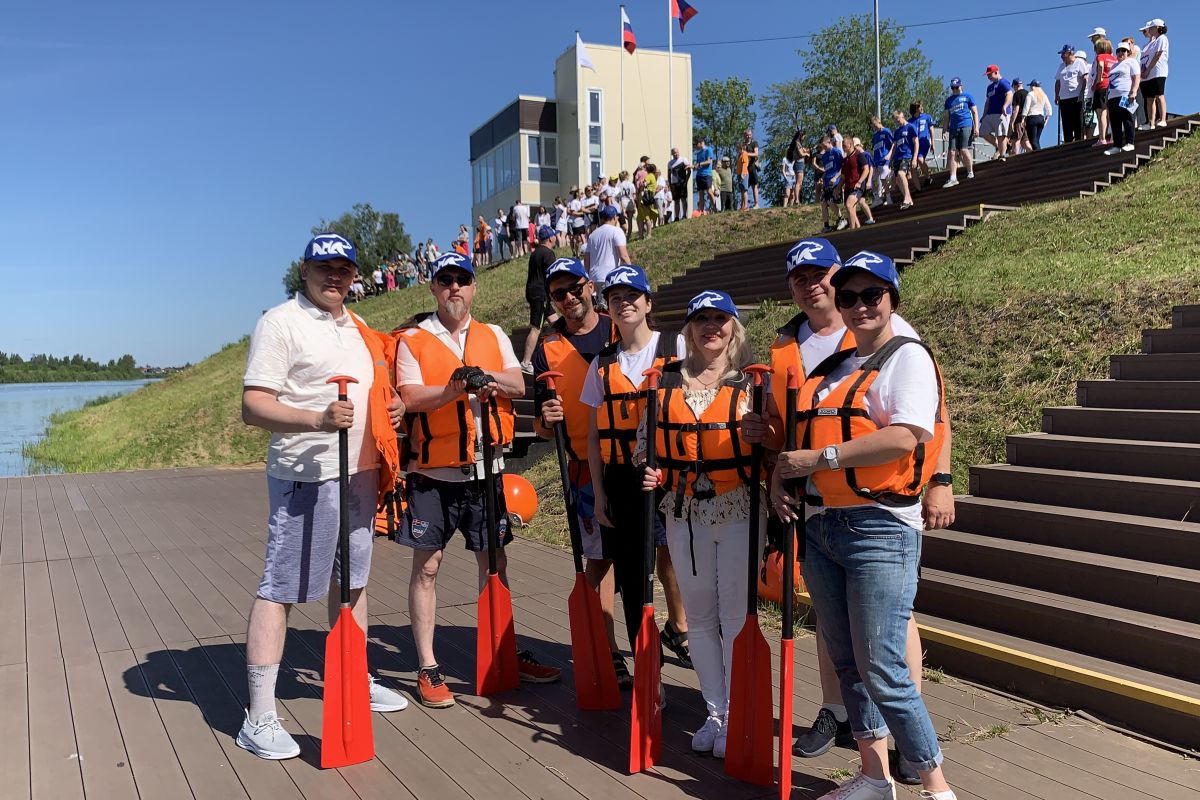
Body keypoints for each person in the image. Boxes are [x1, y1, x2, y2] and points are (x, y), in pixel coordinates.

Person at [759, 238, 953, 786]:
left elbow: (914, 432)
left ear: (891, 297)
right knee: (848, 663)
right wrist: (779, 474)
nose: (860, 305)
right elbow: (799, 432)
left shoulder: (906, 351)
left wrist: (941, 479)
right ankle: (874, 775)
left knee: (883, 666)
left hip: (879, 524)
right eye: (851, 297)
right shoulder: (831, 361)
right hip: (820, 523)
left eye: (873, 295)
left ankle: (933, 782)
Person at [238, 232, 408, 759]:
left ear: (355, 275)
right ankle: (259, 715)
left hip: (359, 471)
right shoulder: (280, 322)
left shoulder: (354, 325)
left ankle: (352, 677)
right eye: (324, 268)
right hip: (305, 476)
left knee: (352, 580)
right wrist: (315, 418)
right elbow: (253, 405)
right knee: (282, 587)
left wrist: (391, 406)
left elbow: (371, 388)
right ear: (304, 271)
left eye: (344, 269)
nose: (335, 277)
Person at [393, 252, 561, 708]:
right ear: (433, 288)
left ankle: (502, 649)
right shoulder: (414, 340)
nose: (454, 288)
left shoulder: (494, 335)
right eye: (445, 280)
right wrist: (452, 388)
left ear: (473, 287)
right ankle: (428, 665)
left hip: (486, 470)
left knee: (495, 564)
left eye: (462, 280)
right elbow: (410, 397)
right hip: (434, 475)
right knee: (427, 568)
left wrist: (485, 380)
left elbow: (518, 384)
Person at [638, 289, 767, 759]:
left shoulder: (753, 384)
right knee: (700, 619)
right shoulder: (664, 382)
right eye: (702, 319)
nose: (712, 326)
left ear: (733, 327)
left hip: (737, 509)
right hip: (682, 513)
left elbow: (771, 447)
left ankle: (736, 712)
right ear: (688, 330)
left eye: (720, 318)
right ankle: (715, 713)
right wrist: (649, 469)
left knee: (735, 616)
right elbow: (643, 445)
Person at [582, 264, 692, 679]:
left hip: (670, 475)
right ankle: (648, 669)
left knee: (679, 563)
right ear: (607, 308)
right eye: (615, 298)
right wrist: (599, 493)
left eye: (633, 296)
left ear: (648, 302)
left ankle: (686, 636)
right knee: (631, 578)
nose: (624, 303)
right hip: (621, 481)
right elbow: (594, 438)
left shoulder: (677, 345)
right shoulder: (602, 363)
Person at [532, 258, 628, 685]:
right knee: (600, 560)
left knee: (661, 553)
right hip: (585, 469)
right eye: (558, 293)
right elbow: (538, 424)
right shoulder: (547, 347)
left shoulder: (619, 325)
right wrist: (546, 417)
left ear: (589, 286)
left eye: (574, 288)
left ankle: (676, 627)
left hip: (636, 463)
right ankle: (610, 652)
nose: (568, 298)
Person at [520, 226, 559, 372]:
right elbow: (552, 275)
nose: (555, 238)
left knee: (556, 323)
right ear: (550, 238)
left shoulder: (535, 253)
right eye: (554, 236)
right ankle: (525, 362)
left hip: (533, 293)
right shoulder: (548, 253)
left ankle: (557, 353)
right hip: (541, 294)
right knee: (536, 327)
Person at [584, 206, 630, 297]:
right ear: (614, 217)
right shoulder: (616, 231)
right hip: (609, 277)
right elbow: (624, 256)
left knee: (598, 309)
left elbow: (586, 260)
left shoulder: (592, 235)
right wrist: (631, 273)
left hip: (593, 278)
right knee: (609, 309)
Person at [1105, 41, 1142, 155]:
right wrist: (1107, 97)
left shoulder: (1131, 62)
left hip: (1125, 94)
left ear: (1128, 52)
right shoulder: (1114, 66)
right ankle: (1117, 145)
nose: (1121, 53)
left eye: (1123, 50)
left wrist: (1134, 91)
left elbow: (1136, 77)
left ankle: (1130, 143)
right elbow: (1110, 82)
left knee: (1127, 118)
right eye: (1119, 50)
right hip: (1113, 97)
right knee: (1115, 121)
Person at [940, 79, 978, 188]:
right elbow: (947, 117)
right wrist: (944, 130)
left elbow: (974, 111)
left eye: (957, 87)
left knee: (963, 149)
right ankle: (953, 177)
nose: (955, 89)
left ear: (961, 86)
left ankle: (970, 171)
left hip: (966, 125)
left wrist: (976, 127)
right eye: (953, 88)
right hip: (953, 128)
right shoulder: (949, 101)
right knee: (952, 152)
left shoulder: (967, 97)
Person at [1055, 45, 1088, 144]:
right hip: (1064, 97)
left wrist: (1082, 92)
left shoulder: (1079, 63)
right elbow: (1057, 81)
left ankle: (1078, 141)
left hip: (1076, 96)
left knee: (1077, 120)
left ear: (1070, 53)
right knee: (1066, 121)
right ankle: (1068, 142)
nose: (1062, 56)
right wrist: (1057, 95)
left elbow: (1084, 78)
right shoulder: (1061, 66)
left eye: (1063, 54)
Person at [1140, 19, 1169, 129]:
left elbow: (1158, 55)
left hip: (1158, 71)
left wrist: (1148, 70)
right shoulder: (1153, 42)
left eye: (1152, 27)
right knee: (1149, 98)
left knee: (1159, 95)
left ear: (1157, 28)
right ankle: (1150, 122)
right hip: (1149, 74)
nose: (1149, 30)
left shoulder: (1162, 38)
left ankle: (1162, 119)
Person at [886, 110, 918, 210]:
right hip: (897, 157)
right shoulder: (897, 131)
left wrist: (915, 158)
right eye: (895, 121)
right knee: (898, 180)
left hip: (907, 155)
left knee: (901, 173)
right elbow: (894, 146)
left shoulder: (910, 127)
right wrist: (890, 159)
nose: (897, 122)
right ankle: (908, 199)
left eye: (898, 119)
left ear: (902, 116)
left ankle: (907, 198)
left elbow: (916, 142)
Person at [981, 64, 1014, 158]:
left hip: (1001, 113)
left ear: (996, 72)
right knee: (982, 132)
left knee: (1001, 135)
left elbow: (1009, 94)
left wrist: (1005, 105)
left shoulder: (1003, 82)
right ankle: (1001, 147)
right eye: (987, 75)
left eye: (990, 74)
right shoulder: (989, 87)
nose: (988, 77)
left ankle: (1002, 155)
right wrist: (984, 115)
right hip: (990, 113)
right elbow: (987, 101)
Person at [1090, 39, 1118, 147]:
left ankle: (1102, 138)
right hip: (1112, 87)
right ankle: (1112, 137)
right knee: (1111, 113)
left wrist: (1098, 80)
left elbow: (1100, 66)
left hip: (1101, 86)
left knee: (1101, 113)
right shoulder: (1114, 59)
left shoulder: (1100, 57)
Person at [842, 138, 875, 229]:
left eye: (844, 145)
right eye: (842, 145)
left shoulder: (859, 155)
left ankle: (852, 229)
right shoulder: (845, 160)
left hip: (857, 185)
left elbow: (867, 169)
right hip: (848, 186)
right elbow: (843, 176)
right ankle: (857, 227)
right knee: (850, 208)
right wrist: (838, 188)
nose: (843, 147)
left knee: (849, 204)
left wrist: (860, 182)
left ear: (850, 145)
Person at [814, 136, 845, 229]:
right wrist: (822, 178)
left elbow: (843, 167)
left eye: (824, 146)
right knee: (823, 202)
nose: (824, 148)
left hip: (835, 181)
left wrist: (836, 177)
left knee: (830, 201)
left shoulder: (836, 152)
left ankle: (841, 219)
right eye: (822, 146)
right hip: (826, 182)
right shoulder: (824, 156)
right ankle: (826, 225)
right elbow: (827, 169)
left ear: (829, 142)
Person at [868, 117, 894, 205]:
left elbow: (893, 144)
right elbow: (875, 148)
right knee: (872, 180)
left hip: (885, 159)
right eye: (873, 126)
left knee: (883, 178)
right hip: (876, 161)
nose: (874, 127)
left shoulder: (886, 131)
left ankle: (888, 197)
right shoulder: (875, 136)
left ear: (879, 122)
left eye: (875, 125)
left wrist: (889, 155)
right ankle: (877, 198)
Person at [909, 102, 935, 185]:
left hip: (924, 142)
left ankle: (928, 177)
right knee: (913, 166)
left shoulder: (927, 117)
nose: (922, 108)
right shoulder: (909, 122)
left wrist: (933, 143)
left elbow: (931, 129)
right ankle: (917, 186)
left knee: (920, 159)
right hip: (913, 145)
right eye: (920, 107)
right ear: (916, 109)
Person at [1022, 79, 1052, 151]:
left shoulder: (1030, 94)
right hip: (1041, 118)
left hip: (1032, 118)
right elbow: (1049, 109)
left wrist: (1023, 118)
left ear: (1033, 87)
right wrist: (1046, 120)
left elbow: (1026, 107)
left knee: (1033, 140)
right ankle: (1039, 154)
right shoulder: (1043, 95)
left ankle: (1040, 155)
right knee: (1037, 140)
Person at [691, 137, 715, 215]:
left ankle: (714, 208)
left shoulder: (709, 150)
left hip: (707, 174)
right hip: (699, 175)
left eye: (696, 144)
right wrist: (693, 167)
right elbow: (698, 166)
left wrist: (699, 164)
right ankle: (701, 212)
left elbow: (709, 161)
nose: (695, 146)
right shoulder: (698, 153)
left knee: (709, 191)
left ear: (701, 143)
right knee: (701, 194)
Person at [667, 147, 691, 221]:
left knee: (683, 199)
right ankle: (677, 217)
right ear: (672, 154)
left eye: (677, 152)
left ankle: (684, 215)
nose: (676, 154)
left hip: (682, 182)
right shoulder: (670, 163)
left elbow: (689, 171)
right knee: (676, 200)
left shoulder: (684, 159)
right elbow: (669, 174)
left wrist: (686, 181)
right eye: (674, 153)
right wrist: (670, 184)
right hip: (674, 184)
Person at [636, 165, 660, 240]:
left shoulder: (649, 176)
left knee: (646, 217)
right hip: (650, 199)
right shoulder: (653, 177)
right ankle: (640, 236)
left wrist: (640, 183)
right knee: (639, 218)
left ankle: (648, 235)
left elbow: (644, 184)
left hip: (644, 199)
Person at [1007, 79, 1029, 154]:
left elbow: (1016, 108)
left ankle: (1016, 159)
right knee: (1025, 142)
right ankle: (1034, 155)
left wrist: (1012, 122)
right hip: (1027, 119)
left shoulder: (1017, 94)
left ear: (1015, 85)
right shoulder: (1028, 93)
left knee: (1016, 140)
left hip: (1019, 119)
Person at [743, 128, 762, 209]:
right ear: (744, 136)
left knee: (754, 185)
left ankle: (756, 204)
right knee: (744, 187)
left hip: (752, 166)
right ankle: (744, 206)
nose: (748, 136)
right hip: (744, 168)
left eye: (749, 135)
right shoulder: (743, 145)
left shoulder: (754, 143)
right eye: (747, 135)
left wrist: (747, 154)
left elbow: (756, 154)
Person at [734, 143, 751, 210]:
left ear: (740, 148)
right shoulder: (740, 155)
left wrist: (743, 173)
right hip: (739, 174)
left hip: (743, 174)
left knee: (744, 190)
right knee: (742, 190)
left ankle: (746, 206)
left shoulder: (744, 154)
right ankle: (742, 206)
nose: (736, 151)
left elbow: (745, 164)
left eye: (737, 149)